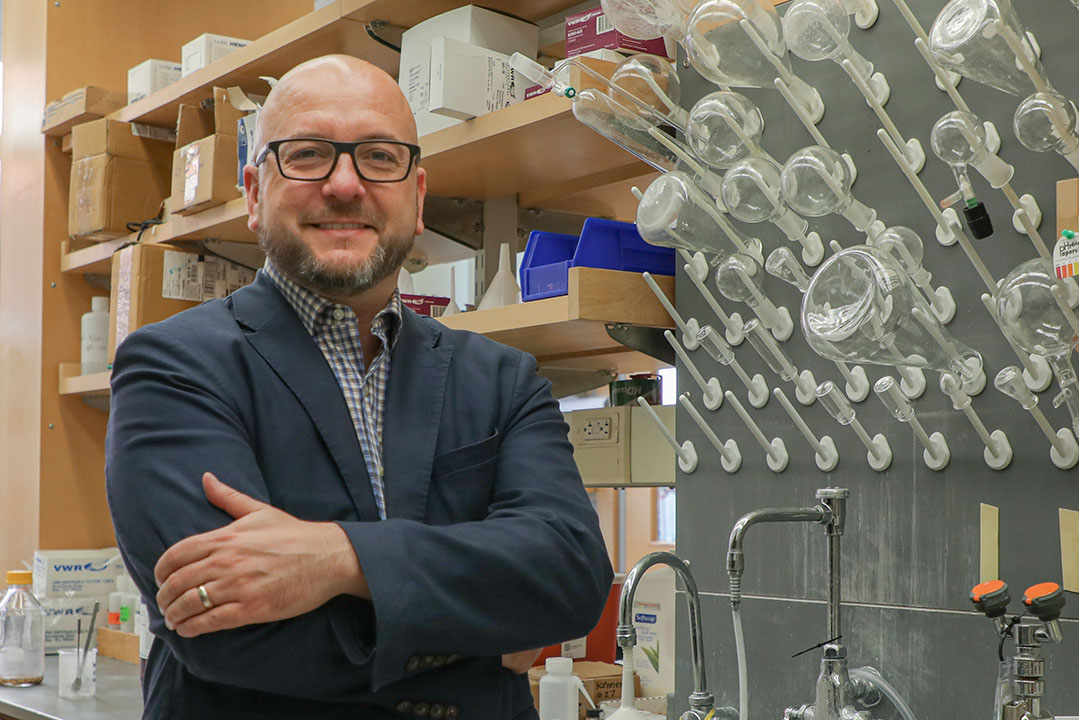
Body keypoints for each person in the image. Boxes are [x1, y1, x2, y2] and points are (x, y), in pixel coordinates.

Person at [106, 54, 613, 719]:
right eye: (309, 155)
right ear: (255, 193)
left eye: (378, 157)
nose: (345, 185)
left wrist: (337, 559)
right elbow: (226, 629)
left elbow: (570, 575)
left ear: (417, 197)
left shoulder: (500, 378)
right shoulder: (173, 365)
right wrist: (487, 630)